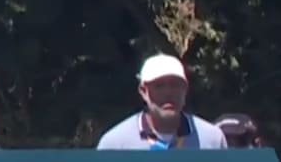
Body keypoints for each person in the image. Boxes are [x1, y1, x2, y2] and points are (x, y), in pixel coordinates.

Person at [96, 54, 227, 150]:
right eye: (159, 86)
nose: (168, 93)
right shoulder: (115, 144)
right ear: (143, 91)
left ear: (185, 89)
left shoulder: (212, 139)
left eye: (175, 85)